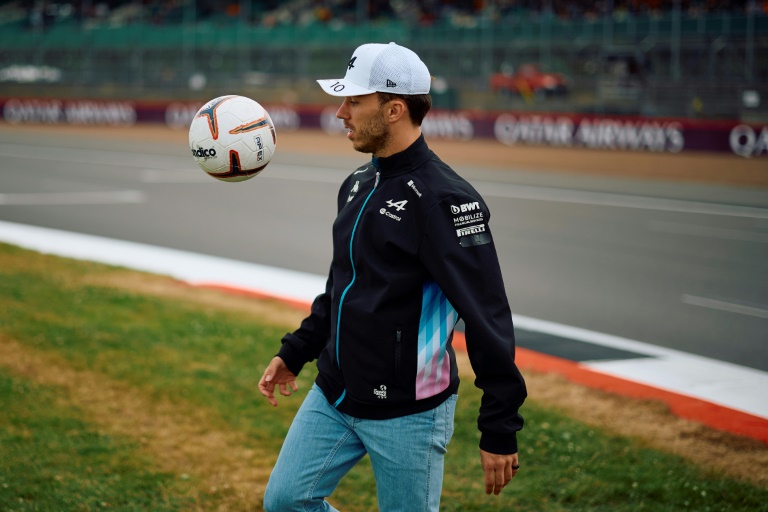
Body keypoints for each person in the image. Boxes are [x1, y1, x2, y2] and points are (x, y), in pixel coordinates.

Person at [258, 42, 527, 512]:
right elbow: (341, 288)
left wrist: (499, 427)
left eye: (354, 102)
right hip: (334, 393)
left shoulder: (446, 201)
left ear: (395, 108)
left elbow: (487, 317)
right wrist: (296, 351)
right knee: (285, 502)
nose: (340, 113)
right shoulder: (359, 182)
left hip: (410, 411)